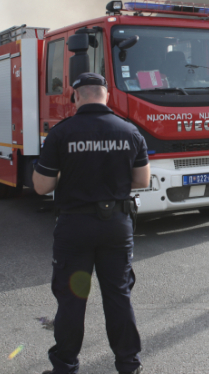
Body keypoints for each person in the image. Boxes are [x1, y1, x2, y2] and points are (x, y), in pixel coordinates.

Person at [33, 72, 149, 374]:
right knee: (118, 296)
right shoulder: (130, 131)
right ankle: (128, 366)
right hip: (116, 226)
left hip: (75, 227)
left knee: (72, 300)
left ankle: (65, 367)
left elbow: (42, 187)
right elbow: (142, 180)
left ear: (76, 95)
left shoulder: (61, 133)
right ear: (106, 95)